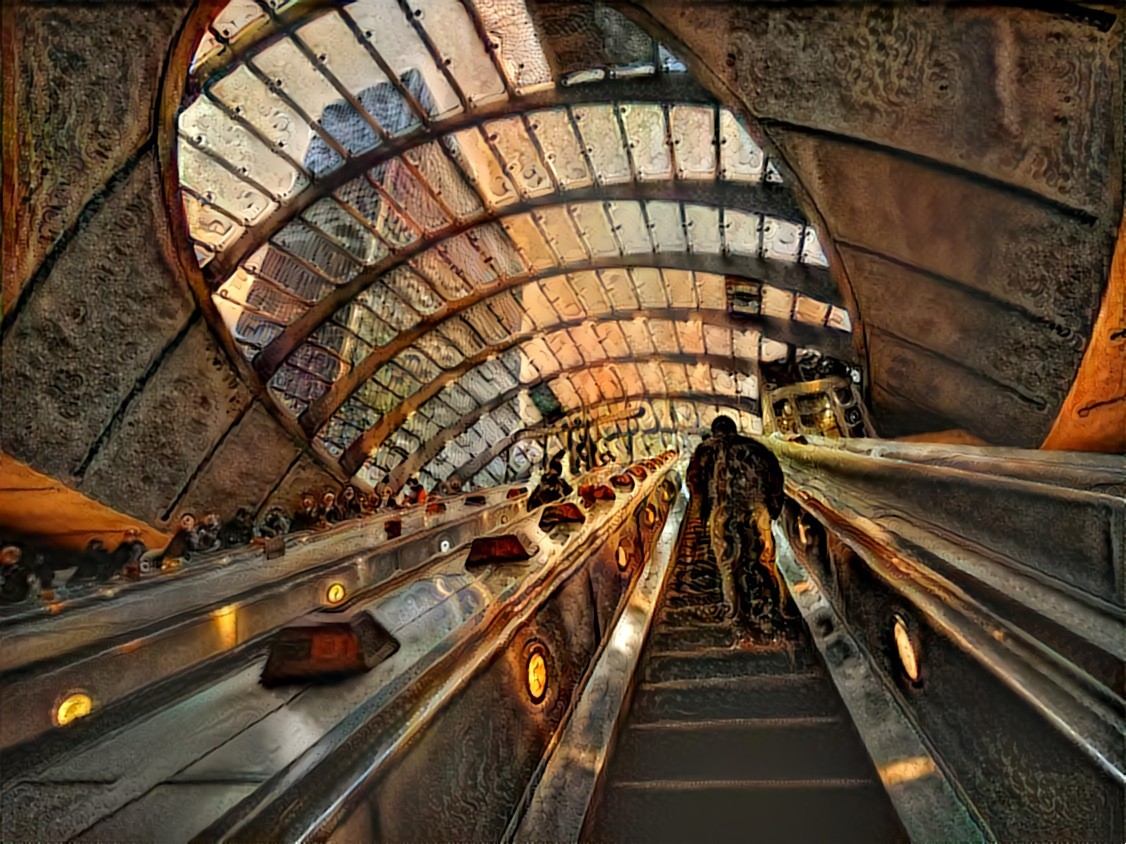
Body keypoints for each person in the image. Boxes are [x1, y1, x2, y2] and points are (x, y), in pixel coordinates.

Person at [690, 416, 786, 623]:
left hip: (722, 511)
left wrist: (702, 514)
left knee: (728, 567)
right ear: (734, 429)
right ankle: (771, 610)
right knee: (763, 561)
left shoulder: (704, 449)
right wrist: (771, 510)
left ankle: (734, 614)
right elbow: (776, 478)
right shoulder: (757, 447)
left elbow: (695, 483)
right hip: (756, 510)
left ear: (715, 431)